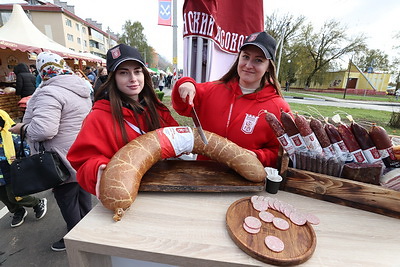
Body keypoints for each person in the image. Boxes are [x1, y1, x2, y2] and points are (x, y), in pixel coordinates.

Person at [67, 43, 179, 196]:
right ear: (113, 78)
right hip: (127, 194)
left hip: (165, 189)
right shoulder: (98, 117)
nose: (133, 79)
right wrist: (97, 168)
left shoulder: (156, 108)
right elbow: (82, 161)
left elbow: (177, 141)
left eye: (137, 71)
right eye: (124, 73)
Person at [9, 52, 93, 252]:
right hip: (80, 153)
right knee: (82, 195)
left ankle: (76, 240)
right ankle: (89, 233)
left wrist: (22, 128)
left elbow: (44, 130)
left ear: (42, 71)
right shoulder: (79, 87)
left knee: (67, 199)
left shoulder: (50, 91)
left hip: (59, 159)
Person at [172, 31, 291, 168]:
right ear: (238, 58)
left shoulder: (279, 108)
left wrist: (258, 156)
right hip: (202, 176)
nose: (248, 65)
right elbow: (181, 107)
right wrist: (185, 83)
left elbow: (280, 153)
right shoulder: (212, 90)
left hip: (245, 182)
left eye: (258, 60)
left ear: (269, 67)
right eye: (245, 57)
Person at [0, 110, 47, 228]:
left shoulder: (11, 134)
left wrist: (19, 156)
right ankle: (18, 211)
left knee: (15, 195)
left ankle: (37, 202)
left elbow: (25, 148)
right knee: (3, 196)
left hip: (9, 170)